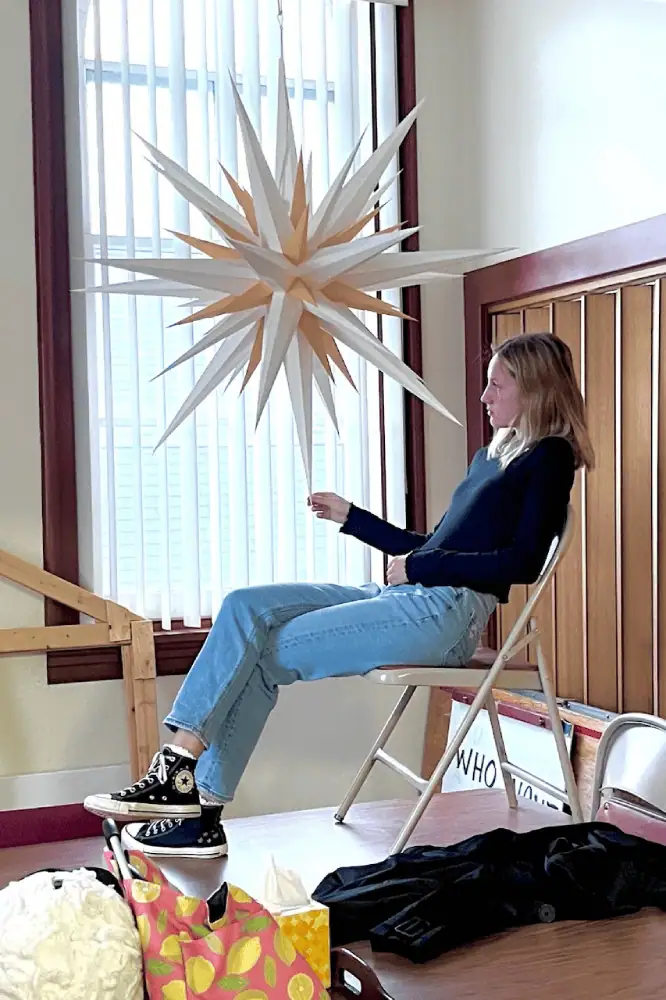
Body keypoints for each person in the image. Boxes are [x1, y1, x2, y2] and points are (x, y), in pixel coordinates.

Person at [84, 332, 594, 858]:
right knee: (244, 605)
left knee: (261, 653)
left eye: (496, 385)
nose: (485, 397)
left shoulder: (549, 459)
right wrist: (354, 518)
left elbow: (523, 563)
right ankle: (182, 780)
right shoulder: (491, 457)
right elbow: (431, 546)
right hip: (411, 599)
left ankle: (189, 800)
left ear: (533, 390)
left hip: (443, 614)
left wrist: (423, 567)